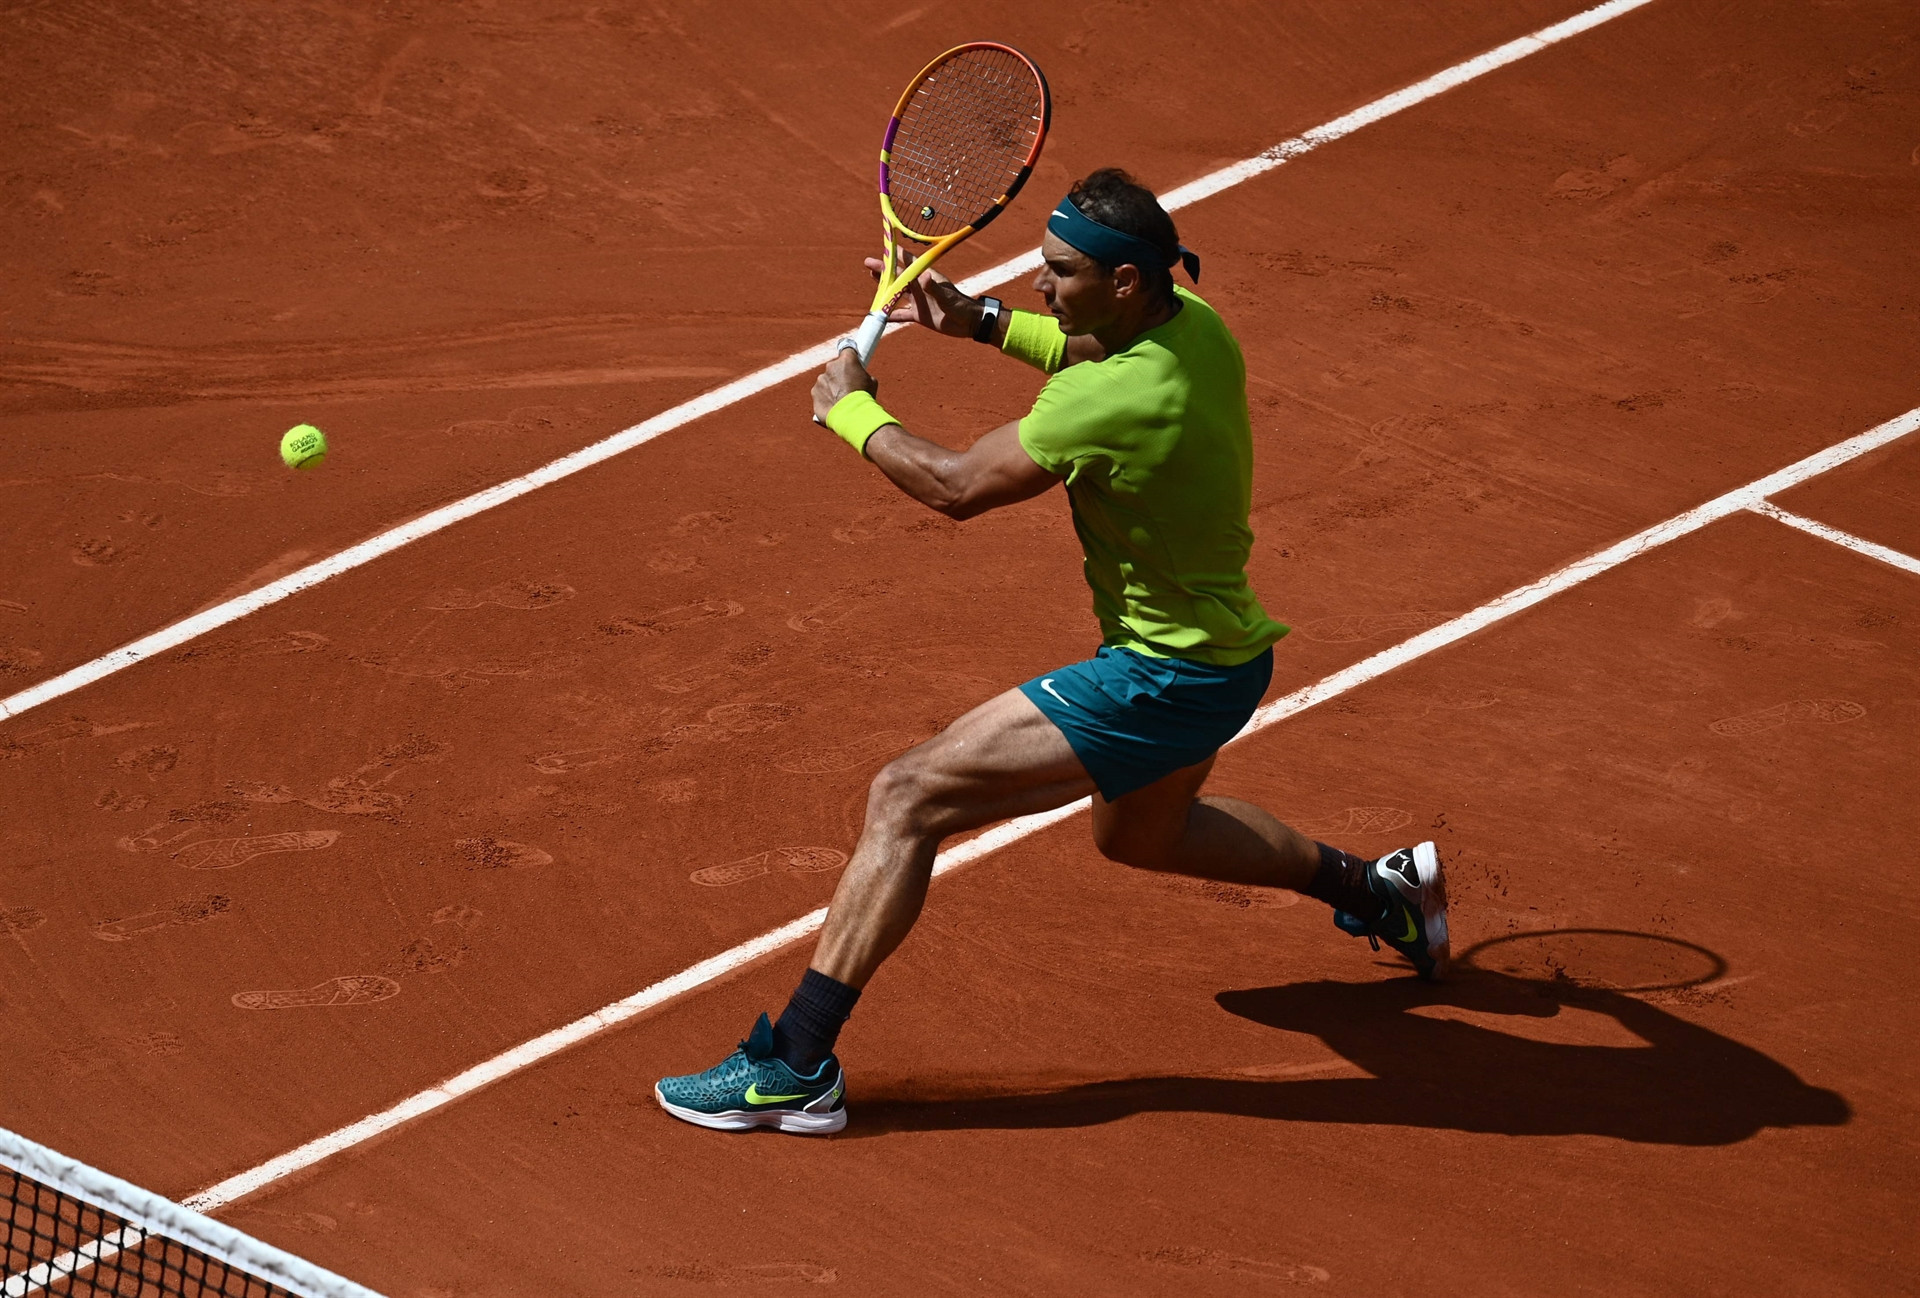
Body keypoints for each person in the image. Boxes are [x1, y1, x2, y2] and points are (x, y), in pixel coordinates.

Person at [655, 169, 1448, 1135]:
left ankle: (794, 1064)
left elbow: (956, 485)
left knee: (906, 795)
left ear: (1125, 281)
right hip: (1224, 660)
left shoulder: (1111, 402)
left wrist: (853, 411)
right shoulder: (1192, 323)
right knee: (1142, 837)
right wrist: (979, 322)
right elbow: (1085, 345)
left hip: (1160, 677)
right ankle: (1379, 892)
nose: (1039, 285)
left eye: (1061, 272)